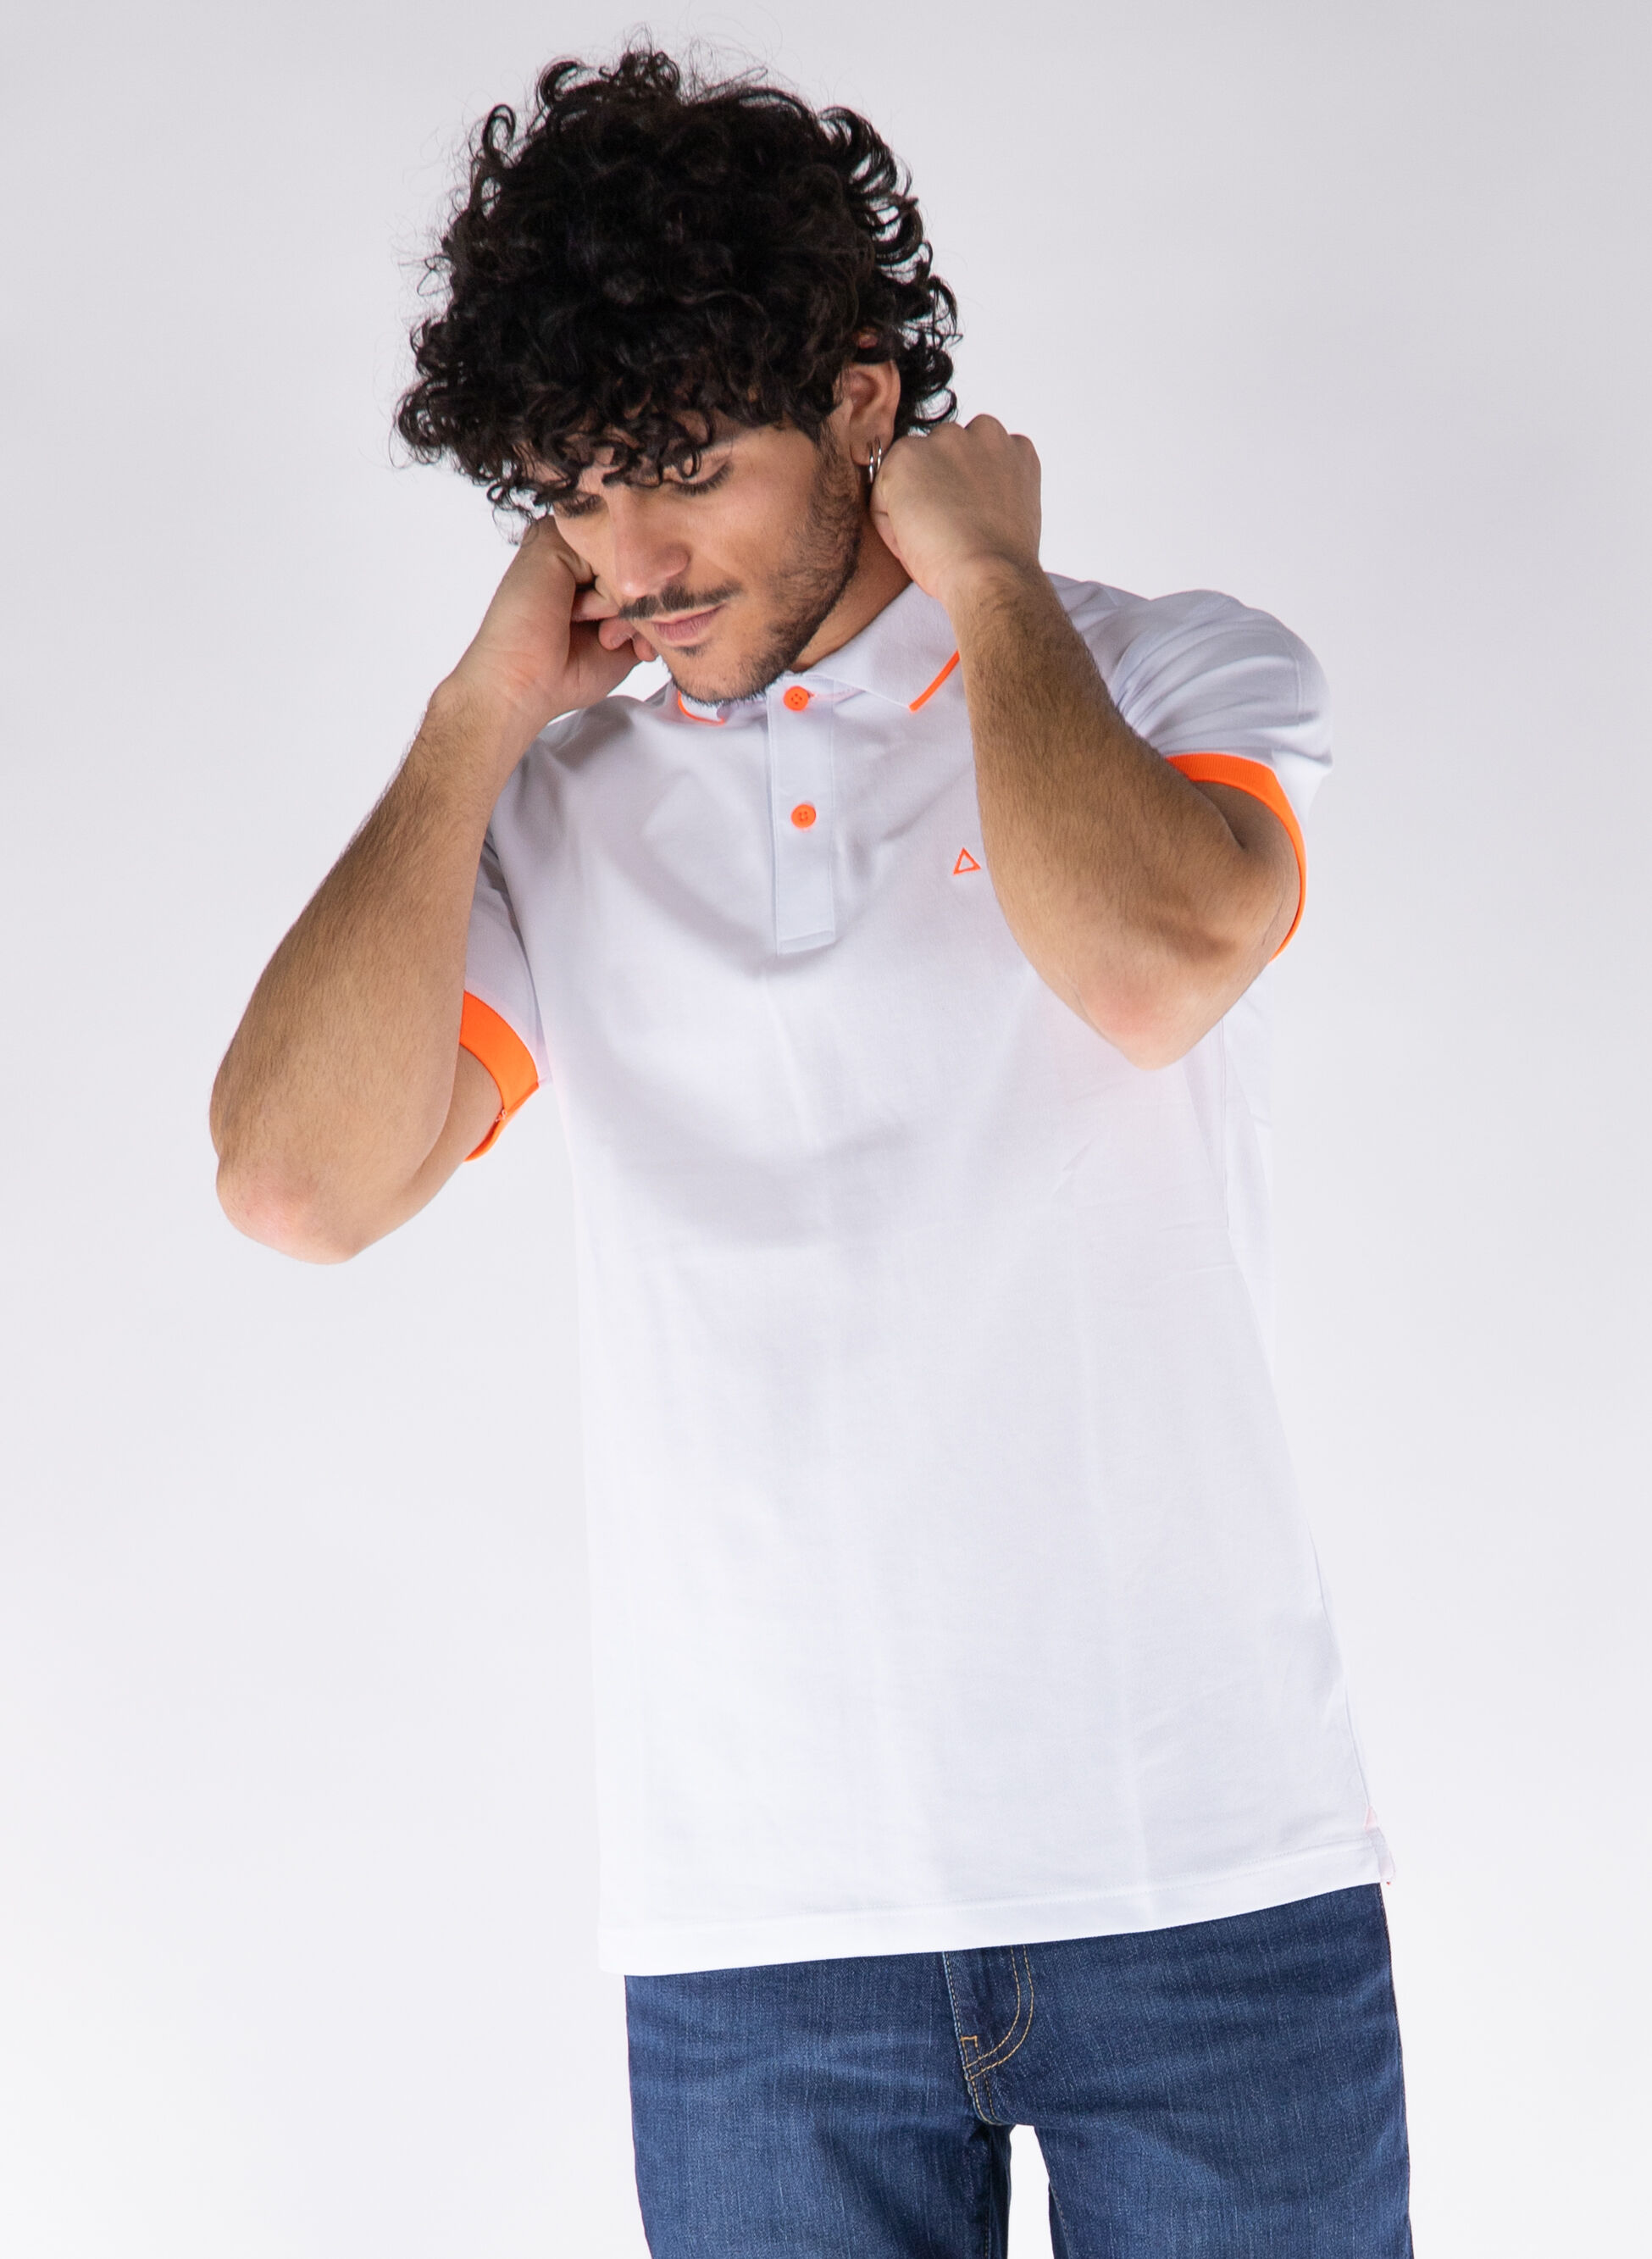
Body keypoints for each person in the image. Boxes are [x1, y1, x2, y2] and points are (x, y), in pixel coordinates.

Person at [210, 47, 1411, 2259]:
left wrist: (993, 589)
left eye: (686, 475)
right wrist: (478, 718)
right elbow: (297, 1187)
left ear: (865, 404)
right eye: (574, 498)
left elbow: (1150, 967)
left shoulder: (1164, 676)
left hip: (1203, 1874)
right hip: (762, 1926)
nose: (634, 563)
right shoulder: (559, 820)